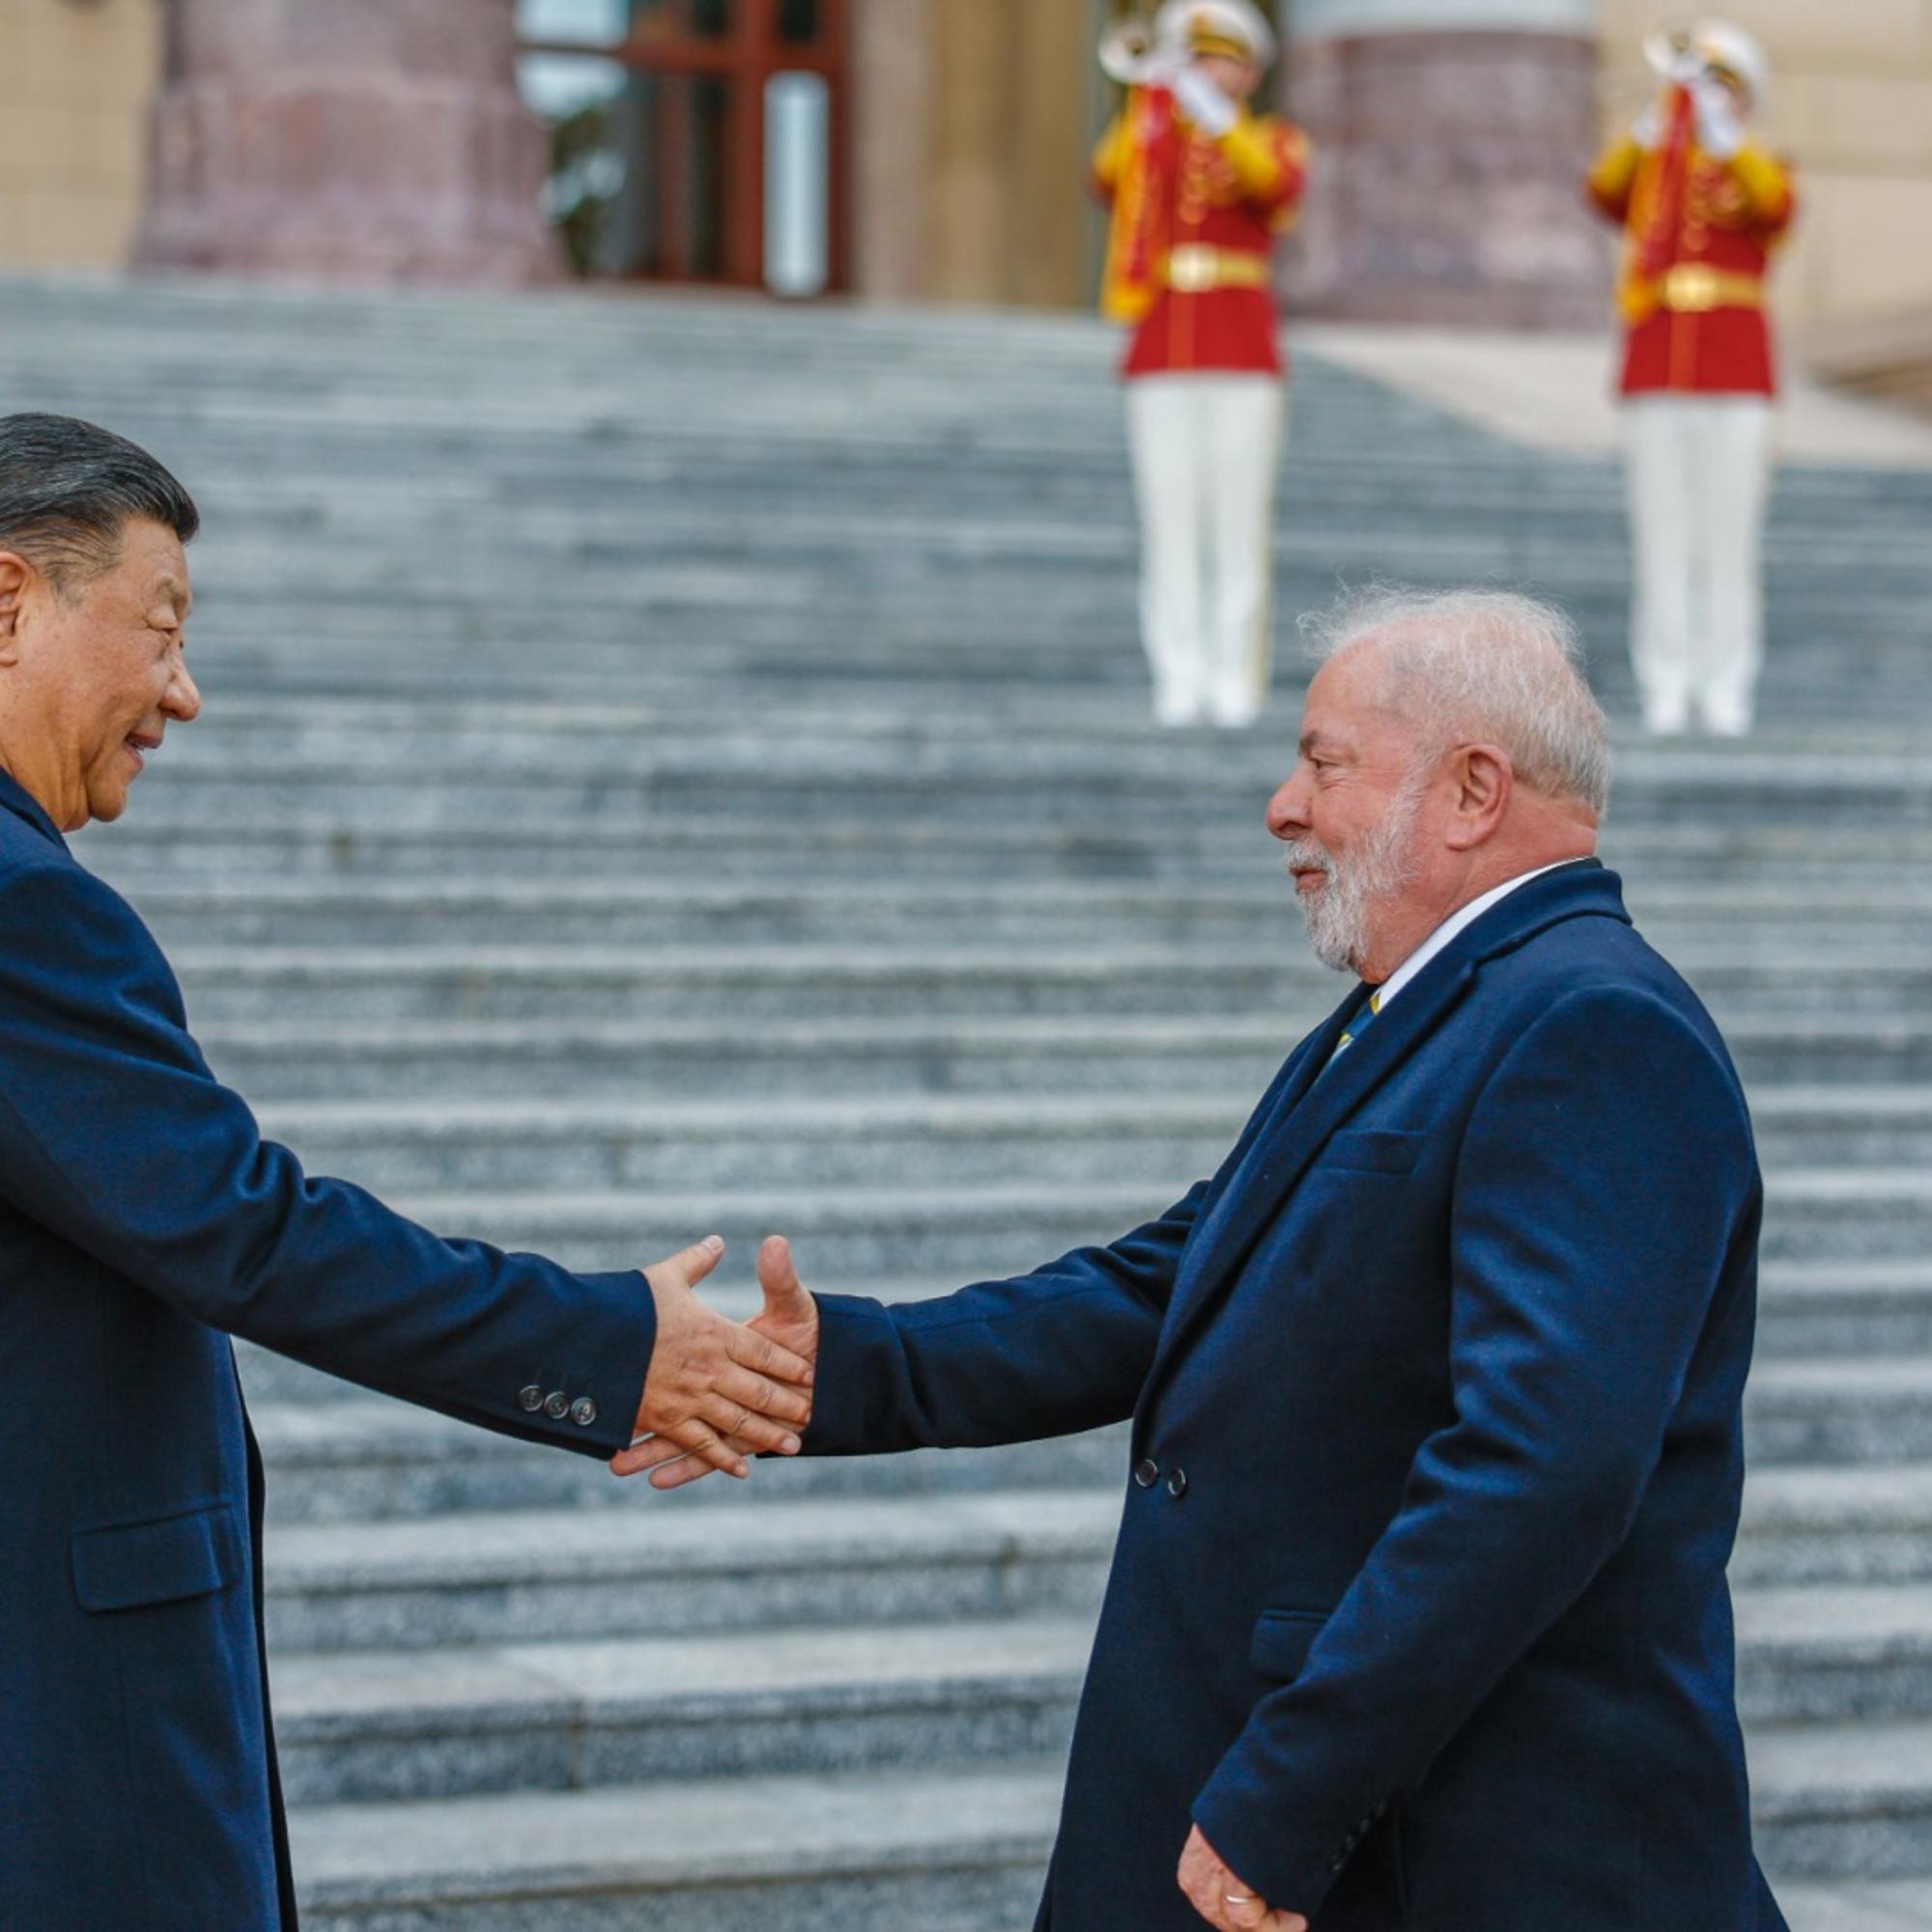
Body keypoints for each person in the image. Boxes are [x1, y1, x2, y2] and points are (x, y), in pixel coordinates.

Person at [637, 586, 1788, 1932]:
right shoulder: (1426, 1009)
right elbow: (1164, 1284)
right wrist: (834, 1367)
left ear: (1473, 790)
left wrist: (1293, 1791)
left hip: (1447, 1852)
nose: (1281, 807)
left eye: (1323, 762)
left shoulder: (1590, 1025)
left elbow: (1540, 1469)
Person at [0, 413, 814, 1930]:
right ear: (8, 606)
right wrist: (613, 1348)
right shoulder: (25, 909)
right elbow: (240, 1229)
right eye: (160, 632)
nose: (185, 691)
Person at [1091, 0, 1310, 730]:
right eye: (1195, 57)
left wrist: (1213, 114)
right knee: (1170, 522)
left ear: (1247, 72)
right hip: (1161, 346)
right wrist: (1149, 96)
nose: (1204, 71)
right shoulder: (1157, 142)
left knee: (1238, 522)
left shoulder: (1272, 139)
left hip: (1241, 348)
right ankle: (1178, 674)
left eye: (1218, 59)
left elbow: (1273, 190)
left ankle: (1233, 676)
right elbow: (1105, 176)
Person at [1587, 20, 1796, 737]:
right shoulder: (1659, 170)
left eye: (1721, 86)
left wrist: (1721, 132)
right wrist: (1656, 121)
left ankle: (1725, 684)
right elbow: (1605, 191)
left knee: (1729, 536)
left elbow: (1776, 207)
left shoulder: (1760, 162)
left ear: (1743, 98)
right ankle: (1667, 684)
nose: (1707, 97)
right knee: (1662, 534)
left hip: (1736, 370)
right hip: (1657, 364)